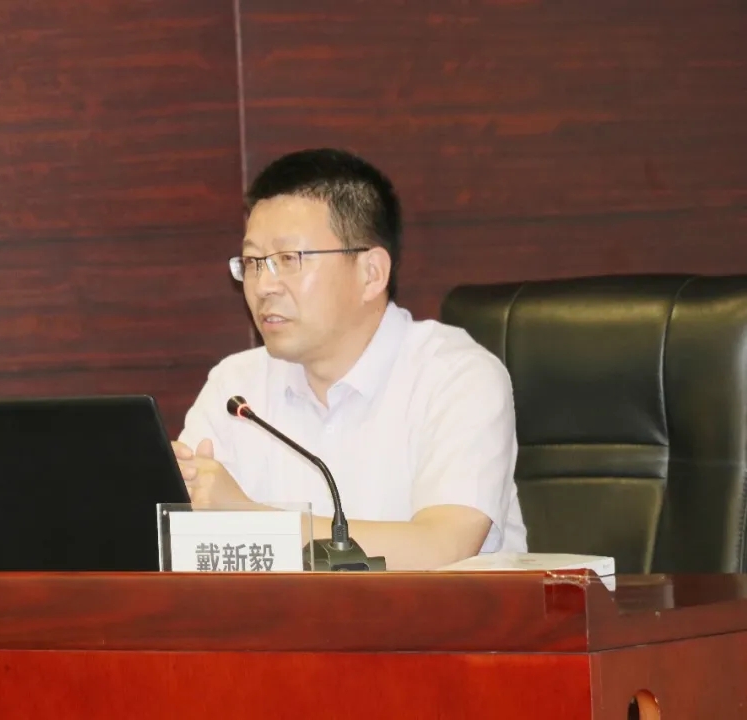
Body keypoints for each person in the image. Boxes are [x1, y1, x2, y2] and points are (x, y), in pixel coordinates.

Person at [173, 148, 527, 570]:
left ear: (371, 273)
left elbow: (442, 547)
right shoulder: (236, 387)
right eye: (253, 262)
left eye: (288, 260)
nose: (263, 285)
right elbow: (179, 543)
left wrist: (250, 519)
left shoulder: (456, 377)